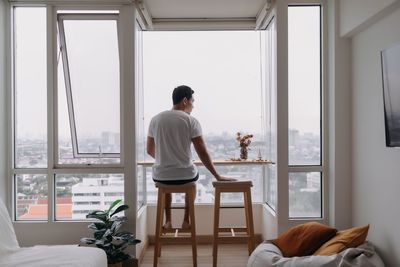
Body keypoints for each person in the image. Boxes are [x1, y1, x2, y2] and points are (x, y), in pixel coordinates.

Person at [147, 85, 236, 229]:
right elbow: (202, 152)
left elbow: (150, 150)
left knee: (166, 182)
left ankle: (168, 221)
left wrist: (165, 158)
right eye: (192, 101)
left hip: (160, 176)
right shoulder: (191, 121)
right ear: (184, 100)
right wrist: (217, 175)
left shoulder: (155, 120)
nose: (193, 106)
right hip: (185, 176)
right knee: (192, 183)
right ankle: (186, 220)